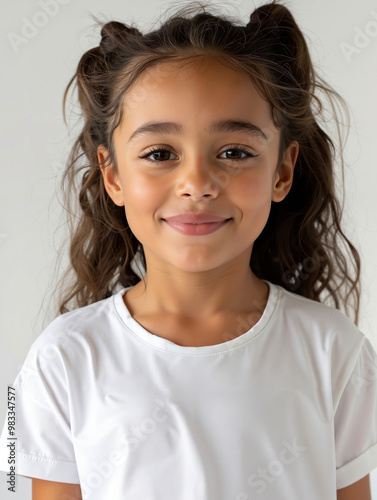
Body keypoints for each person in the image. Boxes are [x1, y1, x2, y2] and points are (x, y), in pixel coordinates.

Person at [0, 1, 376, 498]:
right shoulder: (61, 358)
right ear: (113, 175)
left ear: (282, 172)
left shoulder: (335, 351)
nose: (197, 183)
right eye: (160, 154)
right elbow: (23, 475)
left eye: (235, 152)